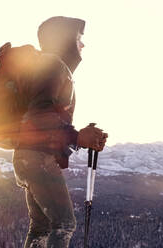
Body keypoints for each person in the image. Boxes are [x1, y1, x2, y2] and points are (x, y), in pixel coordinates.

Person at [12, 16, 107, 247]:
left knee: (41, 227)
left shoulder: (45, 66)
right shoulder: (54, 66)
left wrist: (78, 137)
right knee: (64, 224)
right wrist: (76, 137)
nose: (82, 45)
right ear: (64, 41)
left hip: (27, 157)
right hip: (37, 158)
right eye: (78, 39)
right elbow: (41, 118)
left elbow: (42, 116)